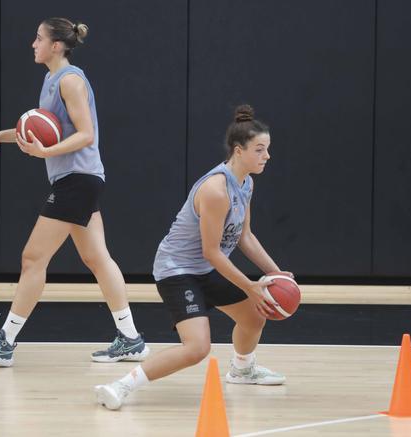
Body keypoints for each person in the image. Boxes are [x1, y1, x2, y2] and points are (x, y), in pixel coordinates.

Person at [0, 17, 148, 366]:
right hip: (82, 178)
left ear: (57, 45)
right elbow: (42, 127)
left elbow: (86, 134)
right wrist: (1, 137)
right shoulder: (51, 80)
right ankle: (131, 338)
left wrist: (45, 153)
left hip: (77, 179)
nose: (33, 44)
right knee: (97, 258)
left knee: (33, 258)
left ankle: (5, 343)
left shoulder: (71, 80)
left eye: (38, 38)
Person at [95, 104, 292, 410]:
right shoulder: (216, 190)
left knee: (254, 316)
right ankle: (120, 386)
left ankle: (242, 370)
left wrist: (277, 273)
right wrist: (251, 286)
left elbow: (245, 236)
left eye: (267, 149)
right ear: (239, 151)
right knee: (197, 348)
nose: (267, 156)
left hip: (205, 267)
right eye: (260, 149)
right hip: (177, 270)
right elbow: (211, 251)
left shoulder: (246, 183)